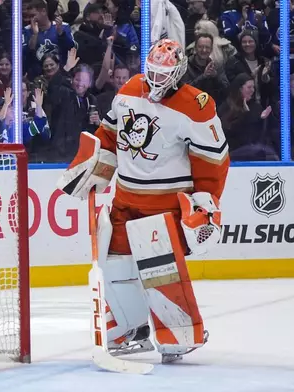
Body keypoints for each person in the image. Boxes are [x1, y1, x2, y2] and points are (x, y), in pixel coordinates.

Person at [57, 39, 230, 362]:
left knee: (160, 270)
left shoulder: (197, 104)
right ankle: (128, 328)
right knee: (115, 264)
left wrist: (206, 202)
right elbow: (110, 134)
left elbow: (213, 161)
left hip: (163, 204)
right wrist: (92, 166)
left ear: (178, 72)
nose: (155, 80)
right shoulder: (131, 88)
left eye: (164, 74)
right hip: (124, 196)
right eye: (152, 72)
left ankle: (178, 334)